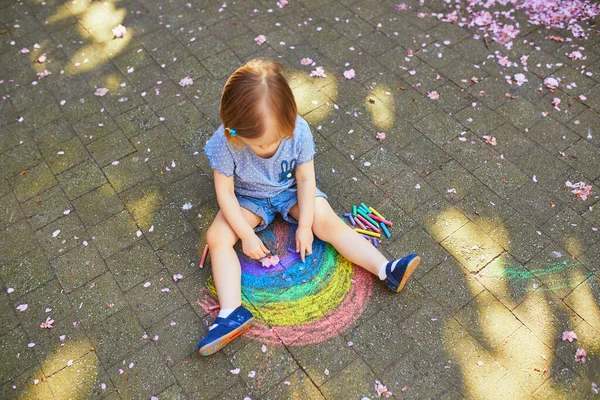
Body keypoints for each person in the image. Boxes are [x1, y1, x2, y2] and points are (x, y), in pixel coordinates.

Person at [198, 59, 420, 356]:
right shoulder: (225, 141)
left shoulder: (298, 131)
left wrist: (305, 225)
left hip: (291, 190)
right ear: (234, 129)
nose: (266, 149)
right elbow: (224, 194)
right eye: (258, 144)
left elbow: (304, 177)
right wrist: (245, 235)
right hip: (247, 198)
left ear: (289, 120)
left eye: (273, 142)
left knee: (326, 222)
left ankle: (385, 269)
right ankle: (231, 313)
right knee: (217, 238)